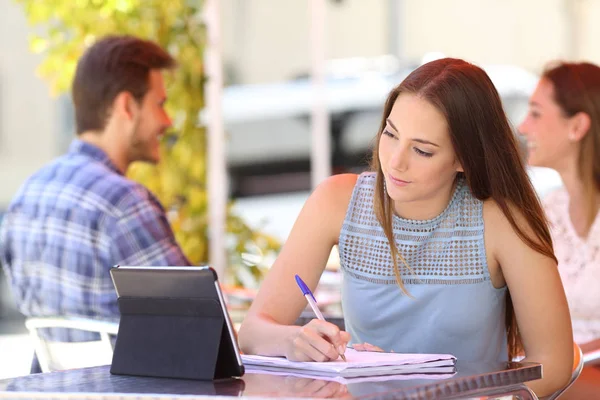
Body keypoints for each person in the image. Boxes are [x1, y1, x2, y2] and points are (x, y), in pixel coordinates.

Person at [238, 58, 573, 397]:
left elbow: (555, 362)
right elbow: (252, 332)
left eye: (422, 150)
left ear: (462, 159)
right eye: (390, 134)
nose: (396, 161)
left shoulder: (503, 221)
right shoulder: (335, 202)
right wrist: (294, 340)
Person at [0, 35, 191, 346]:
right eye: (160, 104)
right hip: (125, 392)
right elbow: (198, 325)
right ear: (127, 105)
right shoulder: (125, 204)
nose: (167, 121)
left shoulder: (27, 196)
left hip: (52, 391)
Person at [519, 61, 600, 398]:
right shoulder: (546, 211)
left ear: (577, 125)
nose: (523, 127)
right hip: (564, 375)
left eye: (536, 113)